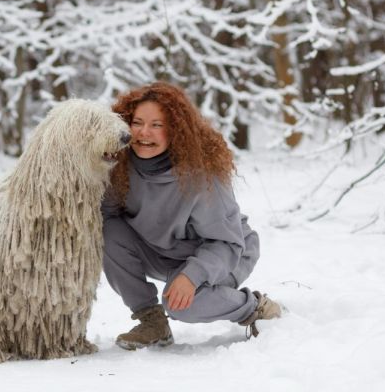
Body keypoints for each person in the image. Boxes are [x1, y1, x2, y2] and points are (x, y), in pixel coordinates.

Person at [101, 82, 282, 350]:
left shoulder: (201, 176)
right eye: (137, 122)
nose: (143, 133)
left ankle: (254, 308)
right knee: (106, 230)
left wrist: (192, 275)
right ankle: (152, 322)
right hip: (162, 252)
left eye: (157, 125)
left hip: (227, 252)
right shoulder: (121, 168)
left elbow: (227, 243)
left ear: (175, 129)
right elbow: (106, 215)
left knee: (182, 306)